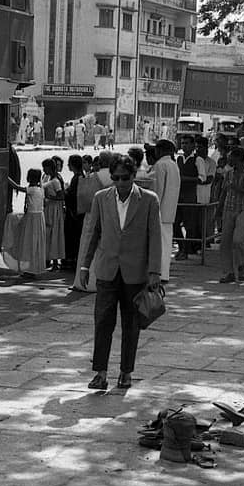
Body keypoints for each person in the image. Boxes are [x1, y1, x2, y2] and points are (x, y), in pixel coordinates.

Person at [80, 154, 162, 390]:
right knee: (103, 322)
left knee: (131, 324)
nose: (120, 183)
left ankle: (126, 371)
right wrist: (85, 265)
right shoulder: (101, 199)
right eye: (115, 178)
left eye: (124, 178)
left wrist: (155, 272)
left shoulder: (148, 200)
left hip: (135, 273)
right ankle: (100, 373)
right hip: (107, 270)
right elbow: (92, 233)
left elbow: (155, 238)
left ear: (133, 176)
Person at [217, 146, 244, 283]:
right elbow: (224, 192)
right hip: (229, 209)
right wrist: (218, 209)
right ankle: (229, 271)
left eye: (231, 157)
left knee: (237, 240)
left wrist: (240, 189)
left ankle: (241, 266)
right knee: (225, 242)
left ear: (238, 159)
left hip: (243, 210)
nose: (228, 159)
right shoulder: (229, 174)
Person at [72, 150, 114, 292]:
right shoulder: (116, 176)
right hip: (111, 217)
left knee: (88, 247)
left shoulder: (93, 177)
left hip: (93, 217)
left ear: (100, 162)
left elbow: (84, 199)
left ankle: (84, 282)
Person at [7, 168, 47, 279]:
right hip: (39, 217)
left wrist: (7, 177)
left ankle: (29, 269)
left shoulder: (32, 189)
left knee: (29, 242)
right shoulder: (41, 189)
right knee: (36, 243)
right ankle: (34, 268)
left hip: (32, 218)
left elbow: (17, 187)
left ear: (29, 178)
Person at [151, 138, 181, 283]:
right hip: (170, 210)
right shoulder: (173, 165)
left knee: (159, 245)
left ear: (161, 150)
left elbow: (158, 190)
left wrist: (153, 210)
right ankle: (164, 273)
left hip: (160, 211)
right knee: (166, 244)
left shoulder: (160, 165)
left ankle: (159, 273)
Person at [174, 134, 206, 260]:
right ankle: (182, 247)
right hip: (179, 196)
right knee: (175, 223)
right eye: (183, 143)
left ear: (193, 145)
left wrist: (185, 179)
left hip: (191, 196)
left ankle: (185, 251)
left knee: (189, 225)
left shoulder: (198, 160)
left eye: (187, 143)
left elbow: (202, 178)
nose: (184, 145)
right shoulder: (179, 159)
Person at [42, 158, 66, 271]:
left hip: (55, 209)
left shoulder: (56, 181)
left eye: (45, 168)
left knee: (54, 234)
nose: (43, 170)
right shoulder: (48, 178)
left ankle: (55, 261)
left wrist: (49, 197)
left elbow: (61, 196)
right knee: (49, 234)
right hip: (49, 209)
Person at [63, 154, 85, 269]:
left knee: (72, 237)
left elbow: (72, 196)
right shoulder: (81, 176)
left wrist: (65, 191)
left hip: (73, 213)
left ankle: (71, 260)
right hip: (78, 212)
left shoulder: (77, 178)